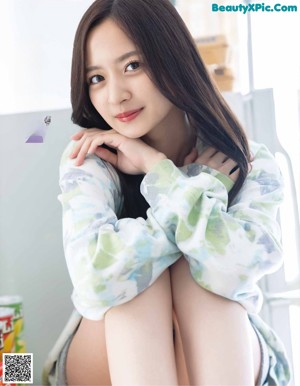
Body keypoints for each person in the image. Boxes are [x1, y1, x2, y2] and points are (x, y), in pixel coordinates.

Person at [42, 0, 291, 385]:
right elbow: (95, 281)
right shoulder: (90, 157)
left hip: (223, 347)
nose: (116, 95)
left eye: (132, 66)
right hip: (104, 357)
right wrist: (182, 193)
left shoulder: (246, 159)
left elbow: (238, 269)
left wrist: (159, 170)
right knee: (136, 279)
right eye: (96, 78)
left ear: (173, 57)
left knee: (202, 273)